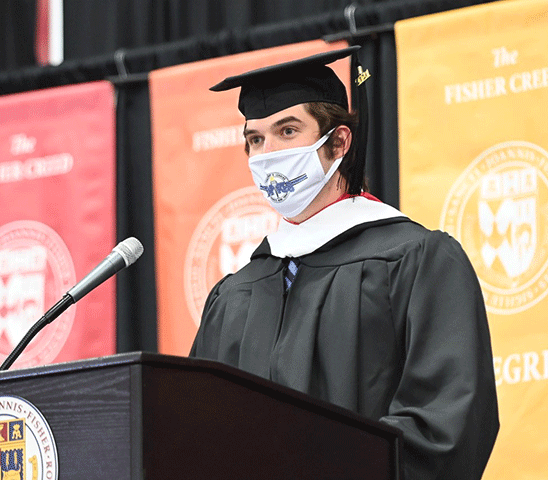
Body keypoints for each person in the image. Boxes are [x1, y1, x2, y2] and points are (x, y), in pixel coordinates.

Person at [189, 46, 499, 479]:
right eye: (255, 139)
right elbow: (197, 436)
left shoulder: (416, 262)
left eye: (288, 130)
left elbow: (445, 425)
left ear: (338, 142)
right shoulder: (235, 294)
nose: (267, 153)